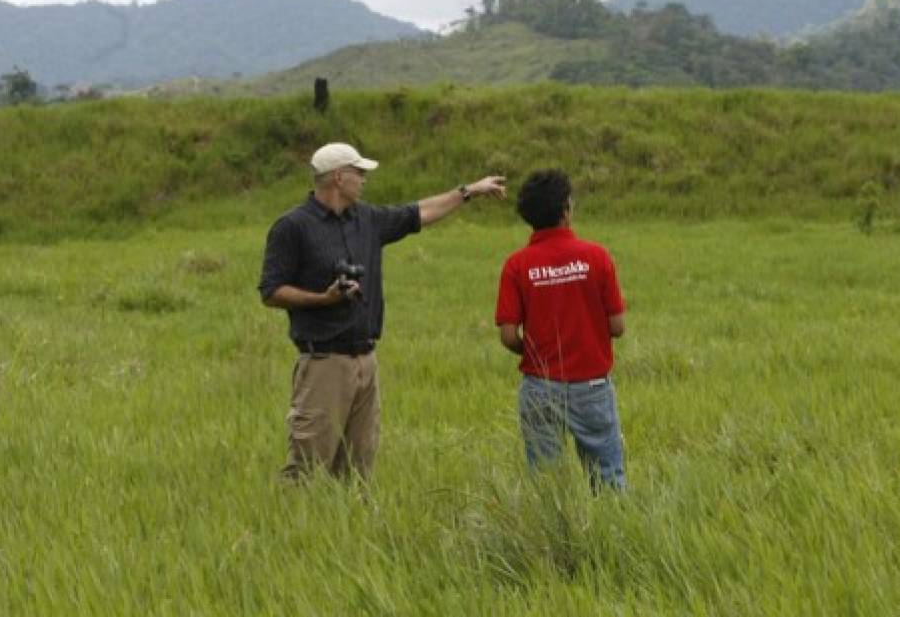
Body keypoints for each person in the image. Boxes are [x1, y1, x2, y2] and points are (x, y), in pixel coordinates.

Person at [259, 141, 505, 482]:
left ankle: (349, 530)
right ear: (338, 177)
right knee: (308, 470)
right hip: (323, 364)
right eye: (359, 173)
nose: (364, 180)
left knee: (359, 470)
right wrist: (324, 299)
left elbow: (420, 212)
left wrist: (469, 192)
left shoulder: (368, 219)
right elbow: (271, 291)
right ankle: (294, 531)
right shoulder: (292, 227)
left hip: (366, 361)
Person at [494, 169, 628, 490]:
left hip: (540, 386)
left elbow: (508, 335)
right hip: (592, 385)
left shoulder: (517, 265)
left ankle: (552, 539)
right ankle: (610, 538)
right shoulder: (597, 257)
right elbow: (617, 326)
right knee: (608, 478)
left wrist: (533, 352)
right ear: (566, 210)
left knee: (547, 485)